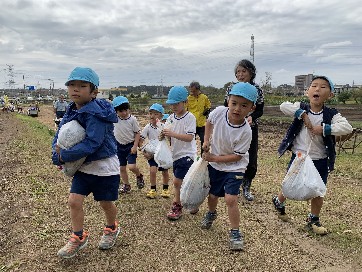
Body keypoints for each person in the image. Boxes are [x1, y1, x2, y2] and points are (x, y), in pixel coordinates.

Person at [51, 67, 121, 258]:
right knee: (74, 201)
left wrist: (65, 156)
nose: (75, 89)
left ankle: (111, 227)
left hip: (104, 166)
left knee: (106, 203)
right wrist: (55, 154)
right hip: (83, 166)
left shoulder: (96, 113)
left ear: (93, 92)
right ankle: (78, 236)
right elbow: (60, 134)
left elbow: (93, 143)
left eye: (82, 86)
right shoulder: (71, 109)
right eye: (72, 85)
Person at [272, 76, 353, 235]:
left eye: (323, 87)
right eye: (314, 86)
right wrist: (302, 115)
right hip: (300, 157)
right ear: (307, 91)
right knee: (291, 183)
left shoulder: (331, 114)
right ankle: (279, 201)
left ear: (330, 95)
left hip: (321, 158)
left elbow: (347, 127)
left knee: (318, 189)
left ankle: (313, 219)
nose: (317, 89)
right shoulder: (301, 107)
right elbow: (283, 105)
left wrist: (324, 129)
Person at [201, 82, 257, 251]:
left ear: (251, 109)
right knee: (212, 195)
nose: (237, 109)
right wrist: (206, 140)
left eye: (244, 105)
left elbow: (237, 156)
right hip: (216, 164)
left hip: (235, 167)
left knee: (230, 199)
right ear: (228, 101)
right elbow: (209, 122)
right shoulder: (219, 112)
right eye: (234, 103)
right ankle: (211, 213)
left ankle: (235, 232)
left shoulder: (246, 131)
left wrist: (214, 157)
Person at [224, 59, 264, 201]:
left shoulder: (257, 89)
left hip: (250, 127)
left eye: (243, 71)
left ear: (251, 73)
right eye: (238, 72)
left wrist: (252, 117)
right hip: (232, 127)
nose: (240, 74)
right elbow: (225, 106)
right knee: (231, 153)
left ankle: (247, 185)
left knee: (251, 156)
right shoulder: (231, 88)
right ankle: (231, 182)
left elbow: (260, 109)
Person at [160, 86, 197, 220]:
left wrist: (172, 134)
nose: (174, 106)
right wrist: (164, 135)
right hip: (175, 154)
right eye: (172, 104)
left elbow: (190, 137)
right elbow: (168, 134)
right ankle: (193, 203)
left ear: (185, 102)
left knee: (177, 182)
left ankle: (177, 206)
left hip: (187, 155)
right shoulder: (170, 117)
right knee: (187, 182)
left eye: (177, 103)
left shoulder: (190, 118)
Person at [112, 96, 144, 193]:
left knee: (131, 167)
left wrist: (135, 146)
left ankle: (139, 175)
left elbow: (137, 133)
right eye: (121, 111)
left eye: (126, 110)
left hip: (130, 146)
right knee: (121, 168)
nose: (124, 113)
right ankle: (126, 185)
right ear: (116, 111)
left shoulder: (132, 120)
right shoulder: (114, 118)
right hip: (118, 146)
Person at [139, 103, 170, 199]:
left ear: (161, 116)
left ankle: (165, 189)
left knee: (165, 171)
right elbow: (140, 140)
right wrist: (144, 152)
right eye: (151, 113)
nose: (152, 116)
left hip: (162, 153)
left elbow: (170, 139)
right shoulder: (148, 127)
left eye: (156, 114)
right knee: (152, 170)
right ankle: (153, 189)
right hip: (152, 153)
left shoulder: (164, 127)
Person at [187, 81, 211, 155]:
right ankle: (191, 157)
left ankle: (203, 158)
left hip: (202, 124)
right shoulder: (188, 98)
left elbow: (208, 106)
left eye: (193, 91)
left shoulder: (204, 97)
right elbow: (185, 109)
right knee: (190, 142)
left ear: (198, 90)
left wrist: (207, 111)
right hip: (191, 124)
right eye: (191, 91)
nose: (192, 93)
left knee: (204, 142)